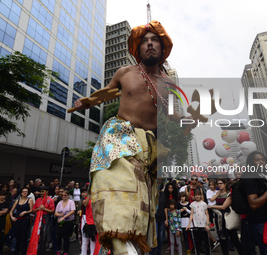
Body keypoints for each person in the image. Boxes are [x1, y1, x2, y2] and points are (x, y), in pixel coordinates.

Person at [73, 20, 195, 254]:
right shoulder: (125, 72)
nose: (149, 44)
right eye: (145, 41)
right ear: (137, 48)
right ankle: (120, 245)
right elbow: (106, 93)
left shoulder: (166, 83)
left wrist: (185, 119)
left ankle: (129, 245)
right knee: (113, 185)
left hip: (148, 145)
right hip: (118, 136)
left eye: (155, 41)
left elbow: (170, 113)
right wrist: (87, 102)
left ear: (163, 48)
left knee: (139, 200)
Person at [241, 151, 267, 255]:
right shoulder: (250, 177)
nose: (261, 162)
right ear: (251, 163)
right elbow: (253, 204)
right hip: (260, 222)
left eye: (263, 159)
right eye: (257, 160)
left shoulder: (264, 175)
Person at [10, 187, 33, 255]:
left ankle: (23, 252)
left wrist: (25, 212)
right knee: (17, 237)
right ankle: (17, 251)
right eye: (23, 191)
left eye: (26, 191)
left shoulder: (30, 200)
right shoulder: (17, 200)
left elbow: (32, 210)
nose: (24, 193)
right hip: (17, 220)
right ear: (21, 193)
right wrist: (12, 217)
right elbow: (11, 211)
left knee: (24, 237)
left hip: (25, 220)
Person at [31, 186, 55, 255]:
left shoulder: (50, 200)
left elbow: (52, 211)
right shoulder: (38, 200)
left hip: (45, 219)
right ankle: (34, 251)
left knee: (43, 237)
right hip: (37, 219)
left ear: (47, 192)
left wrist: (44, 209)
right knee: (34, 235)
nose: (41, 193)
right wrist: (38, 209)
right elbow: (33, 210)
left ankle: (41, 252)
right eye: (40, 191)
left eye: (42, 191)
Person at [187, 189, 211, 255]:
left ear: (201, 196)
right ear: (194, 196)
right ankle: (197, 253)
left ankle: (208, 253)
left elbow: (207, 214)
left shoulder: (204, 204)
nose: (197, 196)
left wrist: (207, 223)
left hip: (204, 225)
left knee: (206, 241)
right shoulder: (192, 204)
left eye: (198, 195)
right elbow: (191, 214)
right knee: (197, 241)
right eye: (196, 195)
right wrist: (189, 224)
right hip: (196, 225)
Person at [55, 190, 76, 255]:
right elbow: (56, 212)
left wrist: (64, 217)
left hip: (68, 222)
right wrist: (60, 215)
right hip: (60, 221)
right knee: (58, 236)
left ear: (68, 195)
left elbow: (72, 211)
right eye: (62, 195)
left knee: (66, 237)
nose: (63, 196)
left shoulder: (71, 202)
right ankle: (59, 249)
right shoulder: (59, 202)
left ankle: (66, 250)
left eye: (65, 195)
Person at [150, 181, 166, 255]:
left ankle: (158, 252)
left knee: (160, 237)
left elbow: (165, 207)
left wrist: (166, 219)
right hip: (154, 218)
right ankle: (152, 253)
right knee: (154, 237)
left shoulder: (162, 194)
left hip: (162, 218)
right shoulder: (152, 194)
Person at [81, 187, 96, 255]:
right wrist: (89, 196)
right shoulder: (85, 199)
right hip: (87, 222)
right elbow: (85, 204)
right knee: (85, 240)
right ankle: (83, 253)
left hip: (94, 223)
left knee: (93, 240)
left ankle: (93, 253)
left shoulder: (96, 199)